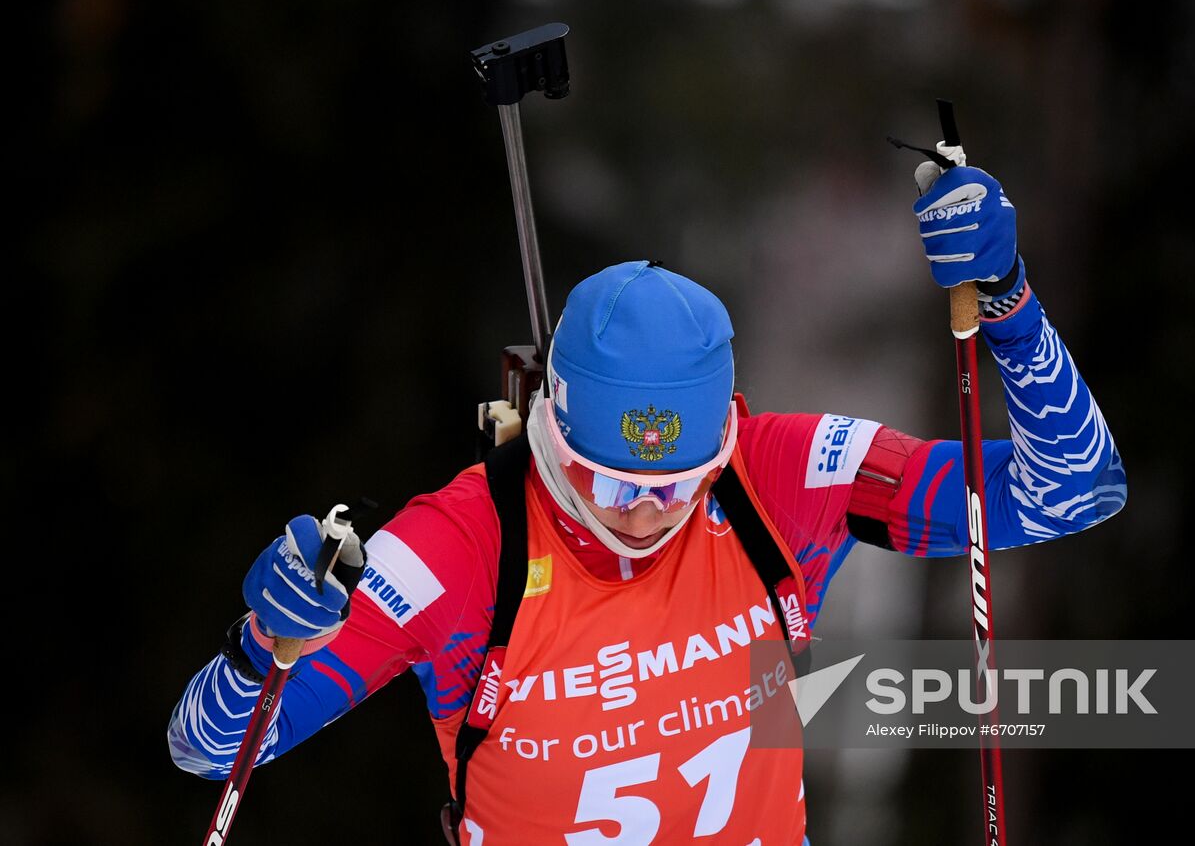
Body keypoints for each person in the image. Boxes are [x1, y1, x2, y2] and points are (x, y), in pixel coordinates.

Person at [170, 150, 1127, 844]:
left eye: (678, 483)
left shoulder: (782, 476)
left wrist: (1006, 299)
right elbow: (209, 751)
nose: (640, 511)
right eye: (606, 478)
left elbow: (1074, 489)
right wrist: (265, 642)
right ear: (550, 422)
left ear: (722, 440)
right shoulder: (458, 550)